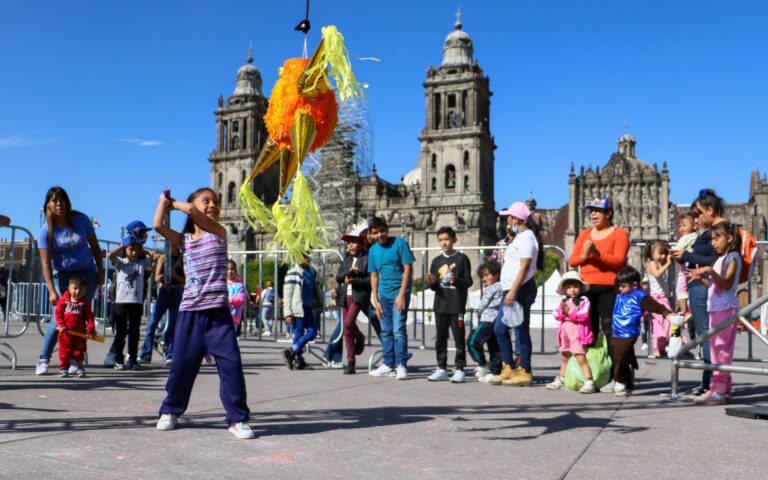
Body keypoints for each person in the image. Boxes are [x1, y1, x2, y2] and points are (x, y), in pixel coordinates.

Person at [153, 187, 255, 439]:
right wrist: (162, 202)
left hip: (218, 314)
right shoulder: (184, 240)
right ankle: (170, 410)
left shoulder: (219, 234)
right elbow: (157, 226)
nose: (213, 205)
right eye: (206, 201)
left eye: (215, 202)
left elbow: (189, 210)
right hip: (190, 312)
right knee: (182, 366)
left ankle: (237, 419)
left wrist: (173, 203)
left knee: (231, 365)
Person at [36, 187, 104, 376]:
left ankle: (74, 360)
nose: (59, 204)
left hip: (86, 274)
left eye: (62, 200)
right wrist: (51, 289)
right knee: (58, 319)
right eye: (54, 201)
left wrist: (101, 271)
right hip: (64, 277)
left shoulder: (80, 220)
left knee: (79, 316)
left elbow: (96, 248)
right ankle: (43, 359)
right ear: (47, 205)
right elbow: (45, 264)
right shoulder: (45, 232)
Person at [670, 189, 728, 400]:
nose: (696, 218)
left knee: (705, 336)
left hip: (702, 285)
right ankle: (708, 383)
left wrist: (687, 255)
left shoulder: (718, 231)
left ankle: (710, 385)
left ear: (710, 210)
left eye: (698, 213)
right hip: (697, 284)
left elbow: (713, 260)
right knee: (705, 335)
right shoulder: (713, 230)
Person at [686, 222, 742, 405]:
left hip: (726, 309)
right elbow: (714, 286)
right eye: (711, 239)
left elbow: (727, 283)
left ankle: (719, 390)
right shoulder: (719, 259)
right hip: (716, 308)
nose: (713, 243)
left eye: (717, 238)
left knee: (722, 352)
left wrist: (709, 271)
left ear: (730, 238)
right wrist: (701, 278)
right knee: (716, 351)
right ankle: (721, 389)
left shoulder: (732, 257)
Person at [492, 201, 541, 387]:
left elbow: (525, 265)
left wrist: (513, 290)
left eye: (509, 217)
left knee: (520, 330)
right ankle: (509, 366)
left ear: (516, 219)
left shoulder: (527, 237)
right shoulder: (520, 237)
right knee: (500, 329)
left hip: (520, 288)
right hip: (510, 289)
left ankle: (525, 370)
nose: (507, 221)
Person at [568, 196, 629, 343]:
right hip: (586, 287)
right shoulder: (585, 234)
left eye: (597, 211)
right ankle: (591, 364)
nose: (593, 214)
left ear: (608, 213)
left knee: (609, 328)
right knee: (588, 330)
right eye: (591, 211)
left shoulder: (619, 233)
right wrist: (584, 256)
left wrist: (597, 254)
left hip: (608, 287)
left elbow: (619, 261)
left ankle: (615, 364)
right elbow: (572, 261)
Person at [611, 266, 675, 397]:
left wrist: (666, 313)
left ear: (634, 285)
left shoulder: (640, 296)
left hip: (628, 332)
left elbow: (655, 306)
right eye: (619, 286)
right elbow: (615, 285)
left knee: (620, 356)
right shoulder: (620, 294)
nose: (620, 289)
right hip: (616, 331)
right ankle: (628, 383)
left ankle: (620, 381)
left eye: (623, 286)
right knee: (622, 355)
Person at [368, 216, 415, 380]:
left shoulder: (400, 243)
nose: (380, 235)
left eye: (382, 231)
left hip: (399, 293)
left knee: (398, 330)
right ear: (371, 234)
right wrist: (376, 299)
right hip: (383, 295)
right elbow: (374, 275)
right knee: (386, 331)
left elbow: (408, 268)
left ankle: (401, 365)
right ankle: (388, 364)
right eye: (375, 232)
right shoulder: (373, 250)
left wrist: (402, 294)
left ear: (387, 229)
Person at [427, 226, 473, 383]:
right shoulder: (436, 261)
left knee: (459, 339)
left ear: (454, 239)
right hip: (440, 305)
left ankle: (460, 369)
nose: (444, 243)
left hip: (456, 306)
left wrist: (457, 280)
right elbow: (434, 287)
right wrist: (432, 283)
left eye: (447, 239)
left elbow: (469, 281)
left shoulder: (461, 259)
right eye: (440, 240)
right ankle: (441, 368)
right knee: (440, 338)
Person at [108, 236, 154, 370]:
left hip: (136, 302)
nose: (134, 252)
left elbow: (154, 257)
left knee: (134, 332)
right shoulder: (121, 262)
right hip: (121, 303)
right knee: (121, 333)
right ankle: (118, 359)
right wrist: (121, 247)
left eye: (137, 250)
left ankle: (132, 359)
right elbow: (111, 255)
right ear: (125, 250)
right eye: (131, 249)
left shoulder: (142, 263)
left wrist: (144, 251)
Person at [547, 270, 596, 393]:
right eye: (569, 287)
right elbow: (556, 313)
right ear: (564, 289)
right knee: (565, 356)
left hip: (577, 333)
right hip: (565, 333)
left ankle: (589, 381)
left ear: (580, 287)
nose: (572, 290)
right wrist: (563, 312)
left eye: (575, 286)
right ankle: (562, 378)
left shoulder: (583, 301)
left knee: (580, 357)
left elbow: (583, 315)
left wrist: (568, 313)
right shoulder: (563, 302)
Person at [335, 224, 371, 374]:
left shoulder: (367, 258)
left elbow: (370, 280)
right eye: (348, 242)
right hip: (344, 296)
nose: (350, 245)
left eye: (354, 242)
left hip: (358, 297)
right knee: (347, 330)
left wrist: (356, 278)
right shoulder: (346, 260)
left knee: (349, 323)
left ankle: (361, 338)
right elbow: (338, 277)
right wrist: (347, 274)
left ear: (362, 244)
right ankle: (350, 362)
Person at [139, 247, 184, 366]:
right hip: (163, 292)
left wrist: (174, 275)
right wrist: (166, 276)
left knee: (172, 326)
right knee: (152, 323)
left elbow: (184, 281)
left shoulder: (182, 259)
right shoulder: (163, 258)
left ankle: (170, 354)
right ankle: (145, 354)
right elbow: (157, 278)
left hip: (176, 293)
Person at [282, 255, 322, 370]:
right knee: (298, 333)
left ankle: (292, 351)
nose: (307, 259)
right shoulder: (292, 272)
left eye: (308, 256)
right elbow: (287, 294)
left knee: (313, 332)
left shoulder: (311, 271)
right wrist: (288, 312)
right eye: (303, 256)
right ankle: (298, 361)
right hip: (297, 308)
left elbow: (316, 288)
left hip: (308, 307)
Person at [54, 276, 96, 378]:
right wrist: (61, 325)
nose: (78, 291)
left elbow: (89, 317)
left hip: (79, 333)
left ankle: (80, 368)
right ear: (69, 288)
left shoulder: (85, 304)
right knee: (64, 351)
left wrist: (91, 329)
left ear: (85, 290)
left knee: (79, 352)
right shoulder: (63, 301)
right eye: (75, 288)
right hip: (65, 333)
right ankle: (64, 368)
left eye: (81, 289)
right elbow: (58, 314)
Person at [469, 261, 503, 384]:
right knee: (494, 347)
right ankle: (495, 371)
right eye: (482, 276)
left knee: (472, 341)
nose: (484, 279)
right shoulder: (500, 286)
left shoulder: (494, 287)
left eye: (487, 275)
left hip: (488, 320)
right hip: (494, 320)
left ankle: (483, 364)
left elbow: (484, 303)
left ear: (497, 275)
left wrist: (477, 313)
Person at [645, 240, 674, 358]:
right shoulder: (652, 264)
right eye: (660, 253)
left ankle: (661, 348)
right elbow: (657, 275)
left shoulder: (660, 264)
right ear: (652, 253)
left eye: (665, 254)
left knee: (666, 321)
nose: (663, 256)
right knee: (659, 323)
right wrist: (668, 264)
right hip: (656, 298)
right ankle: (657, 348)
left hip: (662, 297)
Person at [674, 212, 699, 315]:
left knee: (681, 288)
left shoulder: (686, 237)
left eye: (684, 225)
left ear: (694, 226)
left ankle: (684, 310)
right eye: (680, 226)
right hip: (692, 265)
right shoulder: (697, 236)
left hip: (686, 266)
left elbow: (677, 249)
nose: (681, 228)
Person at [227, 260, 247, 339]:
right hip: (222, 315)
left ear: (236, 270)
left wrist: (228, 299)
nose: (230, 271)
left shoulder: (239, 285)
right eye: (227, 269)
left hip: (234, 317)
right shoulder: (222, 283)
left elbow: (241, 299)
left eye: (232, 269)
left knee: (231, 337)